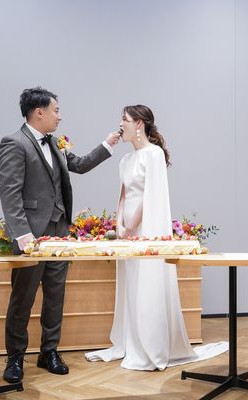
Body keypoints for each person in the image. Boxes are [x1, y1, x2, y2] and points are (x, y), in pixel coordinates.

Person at [0, 87, 120, 383]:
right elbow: (10, 194)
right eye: (56, 110)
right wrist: (23, 235)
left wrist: (107, 144)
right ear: (39, 112)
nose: (59, 116)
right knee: (23, 298)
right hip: (32, 237)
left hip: (59, 232)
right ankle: (15, 357)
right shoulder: (14, 143)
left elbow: (79, 165)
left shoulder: (55, 142)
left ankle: (49, 351)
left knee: (55, 295)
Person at [85, 105, 200, 370]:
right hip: (127, 231)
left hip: (146, 229)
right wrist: (120, 224)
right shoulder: (126, 160)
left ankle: (150, 345)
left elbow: (150, 196)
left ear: (138, 124)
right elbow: (124, 196)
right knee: (132, 284)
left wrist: (132, 226)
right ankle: (131, 340)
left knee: (147, 281)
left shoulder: (154, 154)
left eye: (124, 119)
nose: (120, 124)